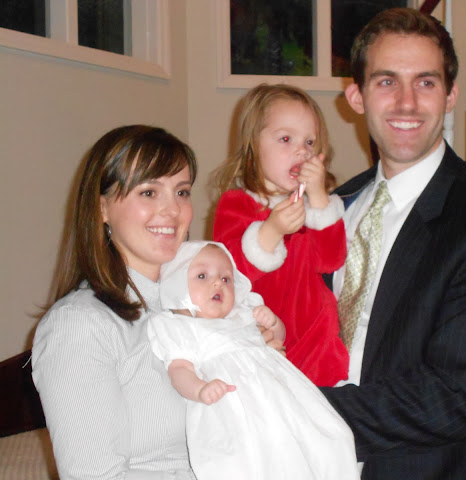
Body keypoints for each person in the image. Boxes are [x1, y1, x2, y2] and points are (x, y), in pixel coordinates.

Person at [320, 8, 466, 480]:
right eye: (387, 82)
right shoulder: (331, 208)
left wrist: (294, 408)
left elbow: (454, 399)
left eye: (425, 82)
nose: (406, 103)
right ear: (356, 96)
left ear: (450, 95)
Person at [30, 125, 283, 480]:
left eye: (182, 192)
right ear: (102, 207)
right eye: (149, 192)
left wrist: (259, 359)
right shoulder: (80, 325)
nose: (172, 210)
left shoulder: (205, 308)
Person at [147, 241, 359, 480]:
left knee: (327, 437)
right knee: (250, 458)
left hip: (281, 396)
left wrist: (274, 323)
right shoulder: (181, 327)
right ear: (176, 284)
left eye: (226, 278)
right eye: (202, 276)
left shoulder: (244, 312)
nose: (217, 283)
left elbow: (277, 341)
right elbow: (179, 369)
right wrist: (199, 389)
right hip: (233, 405)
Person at [212, 83, 349, 387]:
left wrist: (320, 199)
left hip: (316, 342)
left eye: (310, 142)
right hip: (264, 342)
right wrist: (271, 230)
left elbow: (331, 259)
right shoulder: (237, 204)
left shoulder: (312, 208)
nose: (302, 151)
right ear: (253, 145)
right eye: (286, 139)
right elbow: (229, 272)